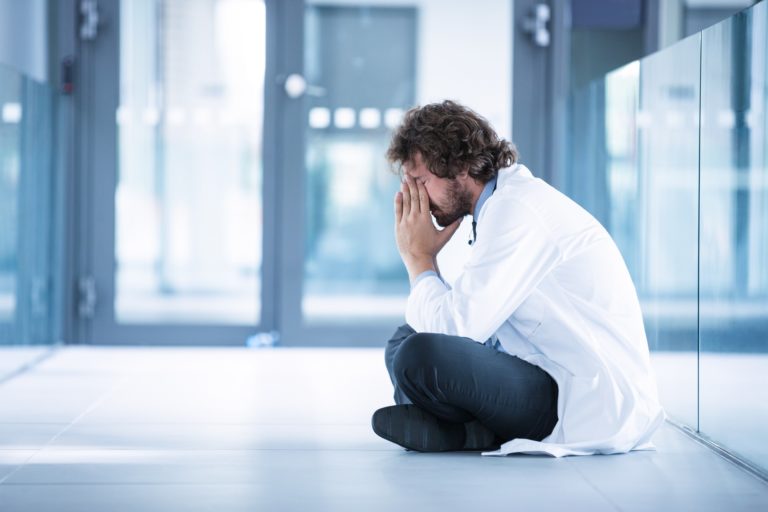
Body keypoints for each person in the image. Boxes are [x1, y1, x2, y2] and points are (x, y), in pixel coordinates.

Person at [371, 100, 665, 456]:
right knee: (404, 340)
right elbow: (469, 321)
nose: (414, 198)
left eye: (420, 181)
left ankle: (461, 429)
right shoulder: (498, 207)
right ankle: (465, 430)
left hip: (582, 398)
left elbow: (458, 328)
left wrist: (418, 258)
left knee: (418, 353)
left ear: (459, 166)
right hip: (536, 370)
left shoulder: (518, 210)